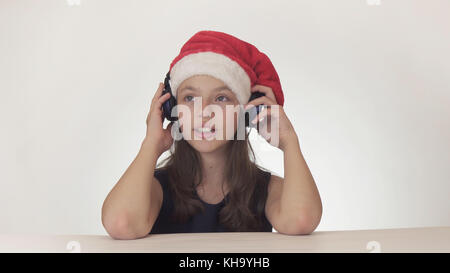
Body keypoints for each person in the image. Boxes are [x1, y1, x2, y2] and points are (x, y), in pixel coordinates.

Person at [101, 30, 322, 239]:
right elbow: (121, 223)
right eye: (189, 98)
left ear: (246, 112)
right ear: (172, 110)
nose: (204, 113)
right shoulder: (155, 189)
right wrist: (151, 144)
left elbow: (301, 220)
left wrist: (289, 142)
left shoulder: (266, 190)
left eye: (221, 98)